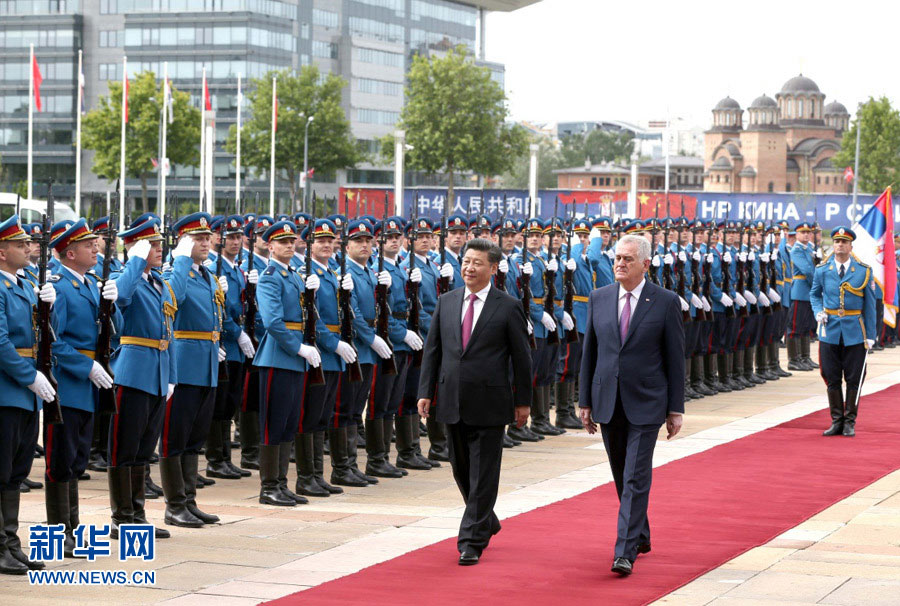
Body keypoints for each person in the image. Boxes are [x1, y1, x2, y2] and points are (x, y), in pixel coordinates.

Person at [417, 238, 532, 566]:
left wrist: (523, 401)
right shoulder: (447, 301)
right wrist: (426, 391)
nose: (469, 268)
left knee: (484, 473)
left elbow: (522, 358)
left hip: (491, 401)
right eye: (466, 261)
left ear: (493, 268)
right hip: (451, 398)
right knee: (461, 469)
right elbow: (433, 350)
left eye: (477, 263)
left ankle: (471, 540)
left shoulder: (507, 305)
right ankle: (486, 519)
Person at [578, 234, 684, 576]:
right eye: (617, 258)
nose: (620, 264)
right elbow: (590, 353)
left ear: (645, 264)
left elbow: (675, 358)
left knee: (636, 476)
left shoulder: (665, 301)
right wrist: (585, 401)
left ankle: (624, 551)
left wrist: (675, 408)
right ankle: (641, 532)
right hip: (607, 399)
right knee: (621, 474)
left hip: (647, 401)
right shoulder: (600, 297)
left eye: (627, 259)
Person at [106, 218, 174, 539]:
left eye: (160, 244)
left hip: (157, 371)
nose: (160, 250)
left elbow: (167, 331)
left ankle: (137, 515)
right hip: (132, 372)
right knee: (125, 446)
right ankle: (121, 518)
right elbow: (119, 298)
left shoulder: (157, 282)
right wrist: (134, 258)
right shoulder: (125, 277)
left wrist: (170, 375)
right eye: (152, 245)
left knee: (144, 448)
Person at [0, 214, 56, 574]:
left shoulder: (21, 286)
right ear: (2, 252)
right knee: (1, 470)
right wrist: (28, 376)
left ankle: (10, 541)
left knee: (17, 471)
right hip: (6, 390)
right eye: (20, 244)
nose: (28, 248)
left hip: (23, 392)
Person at [809, 227, 876, 437]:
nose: (840, 245)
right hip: (829, 330)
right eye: (837, 241)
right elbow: (814, 294)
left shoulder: (863, 271)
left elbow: (870, 306)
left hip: (855, 330)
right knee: (831, 375)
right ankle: (836, 420)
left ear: (850, 246)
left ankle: (850, 421)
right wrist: (818, 311)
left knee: (855, 378)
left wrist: (871, 334)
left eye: (844, 242)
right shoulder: (822, 270)